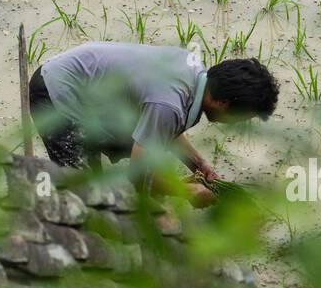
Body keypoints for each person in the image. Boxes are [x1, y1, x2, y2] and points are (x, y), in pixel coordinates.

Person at [28, 41, 279, 206]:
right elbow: (141, 173)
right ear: (223, 103)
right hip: (56, 94)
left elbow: (163, 126)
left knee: (147, 166)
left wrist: (199, 164)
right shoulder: (169, 103)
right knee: (85, 195)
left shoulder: (192, 71)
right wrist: (186, 192)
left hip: (95, 96)